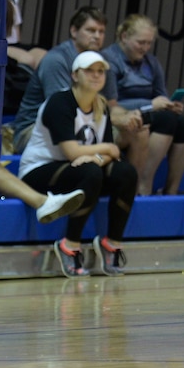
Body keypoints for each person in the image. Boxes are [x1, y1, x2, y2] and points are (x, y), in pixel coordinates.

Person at [17, 50, 137, 277]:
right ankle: (69, 245)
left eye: (100, 71)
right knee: (90, 172)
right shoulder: (60, 102)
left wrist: (96, 156)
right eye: (89, 71)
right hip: (39, 171)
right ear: (74, 75)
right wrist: (101, 153)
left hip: (78, 169)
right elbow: (74, 151)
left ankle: (112, 244)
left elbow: (113, 154)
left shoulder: (101, 105)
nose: (96, 76)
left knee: (126, 172)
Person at [101, 14, 184, 196]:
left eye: (149, 43)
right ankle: (144, 181)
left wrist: (170, 104)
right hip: (124, 114)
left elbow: (161, 94)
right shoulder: (110, 60)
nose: (145, 48)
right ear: (124, 37)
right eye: (141, 42)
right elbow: (112, 104)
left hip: (152, 111)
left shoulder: (151, 62)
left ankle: (172, 189)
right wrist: (150, 105)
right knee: (166, 120)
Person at [11, 6, 121, 154]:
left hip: (85, 123)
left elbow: (111, 105)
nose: (97, 36)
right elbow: (59, 113)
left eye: (101, 32)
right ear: (74, 31)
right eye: (91, 30)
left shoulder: (102, 62)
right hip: (34, 128)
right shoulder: (56, 60)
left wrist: (128, 118)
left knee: (133, 133)